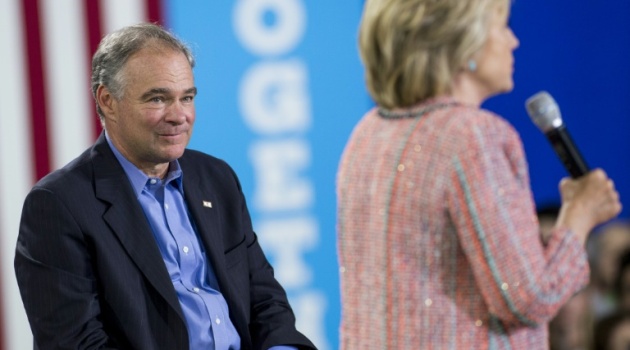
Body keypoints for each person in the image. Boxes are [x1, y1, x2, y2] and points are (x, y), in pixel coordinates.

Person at [336, 0, 622, 349]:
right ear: (463, 42)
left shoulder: (367, 134)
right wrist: (580, 215)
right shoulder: (472, 136)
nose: (513, 41)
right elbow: (529, 297)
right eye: (501, 26)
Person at [14, 23, 315, 350]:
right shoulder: (60, 204)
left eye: (187, 97)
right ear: (108, 101)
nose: (179, 115)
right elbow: (75, 343)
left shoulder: (217, 178)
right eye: (158, 99)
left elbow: (264, 298)